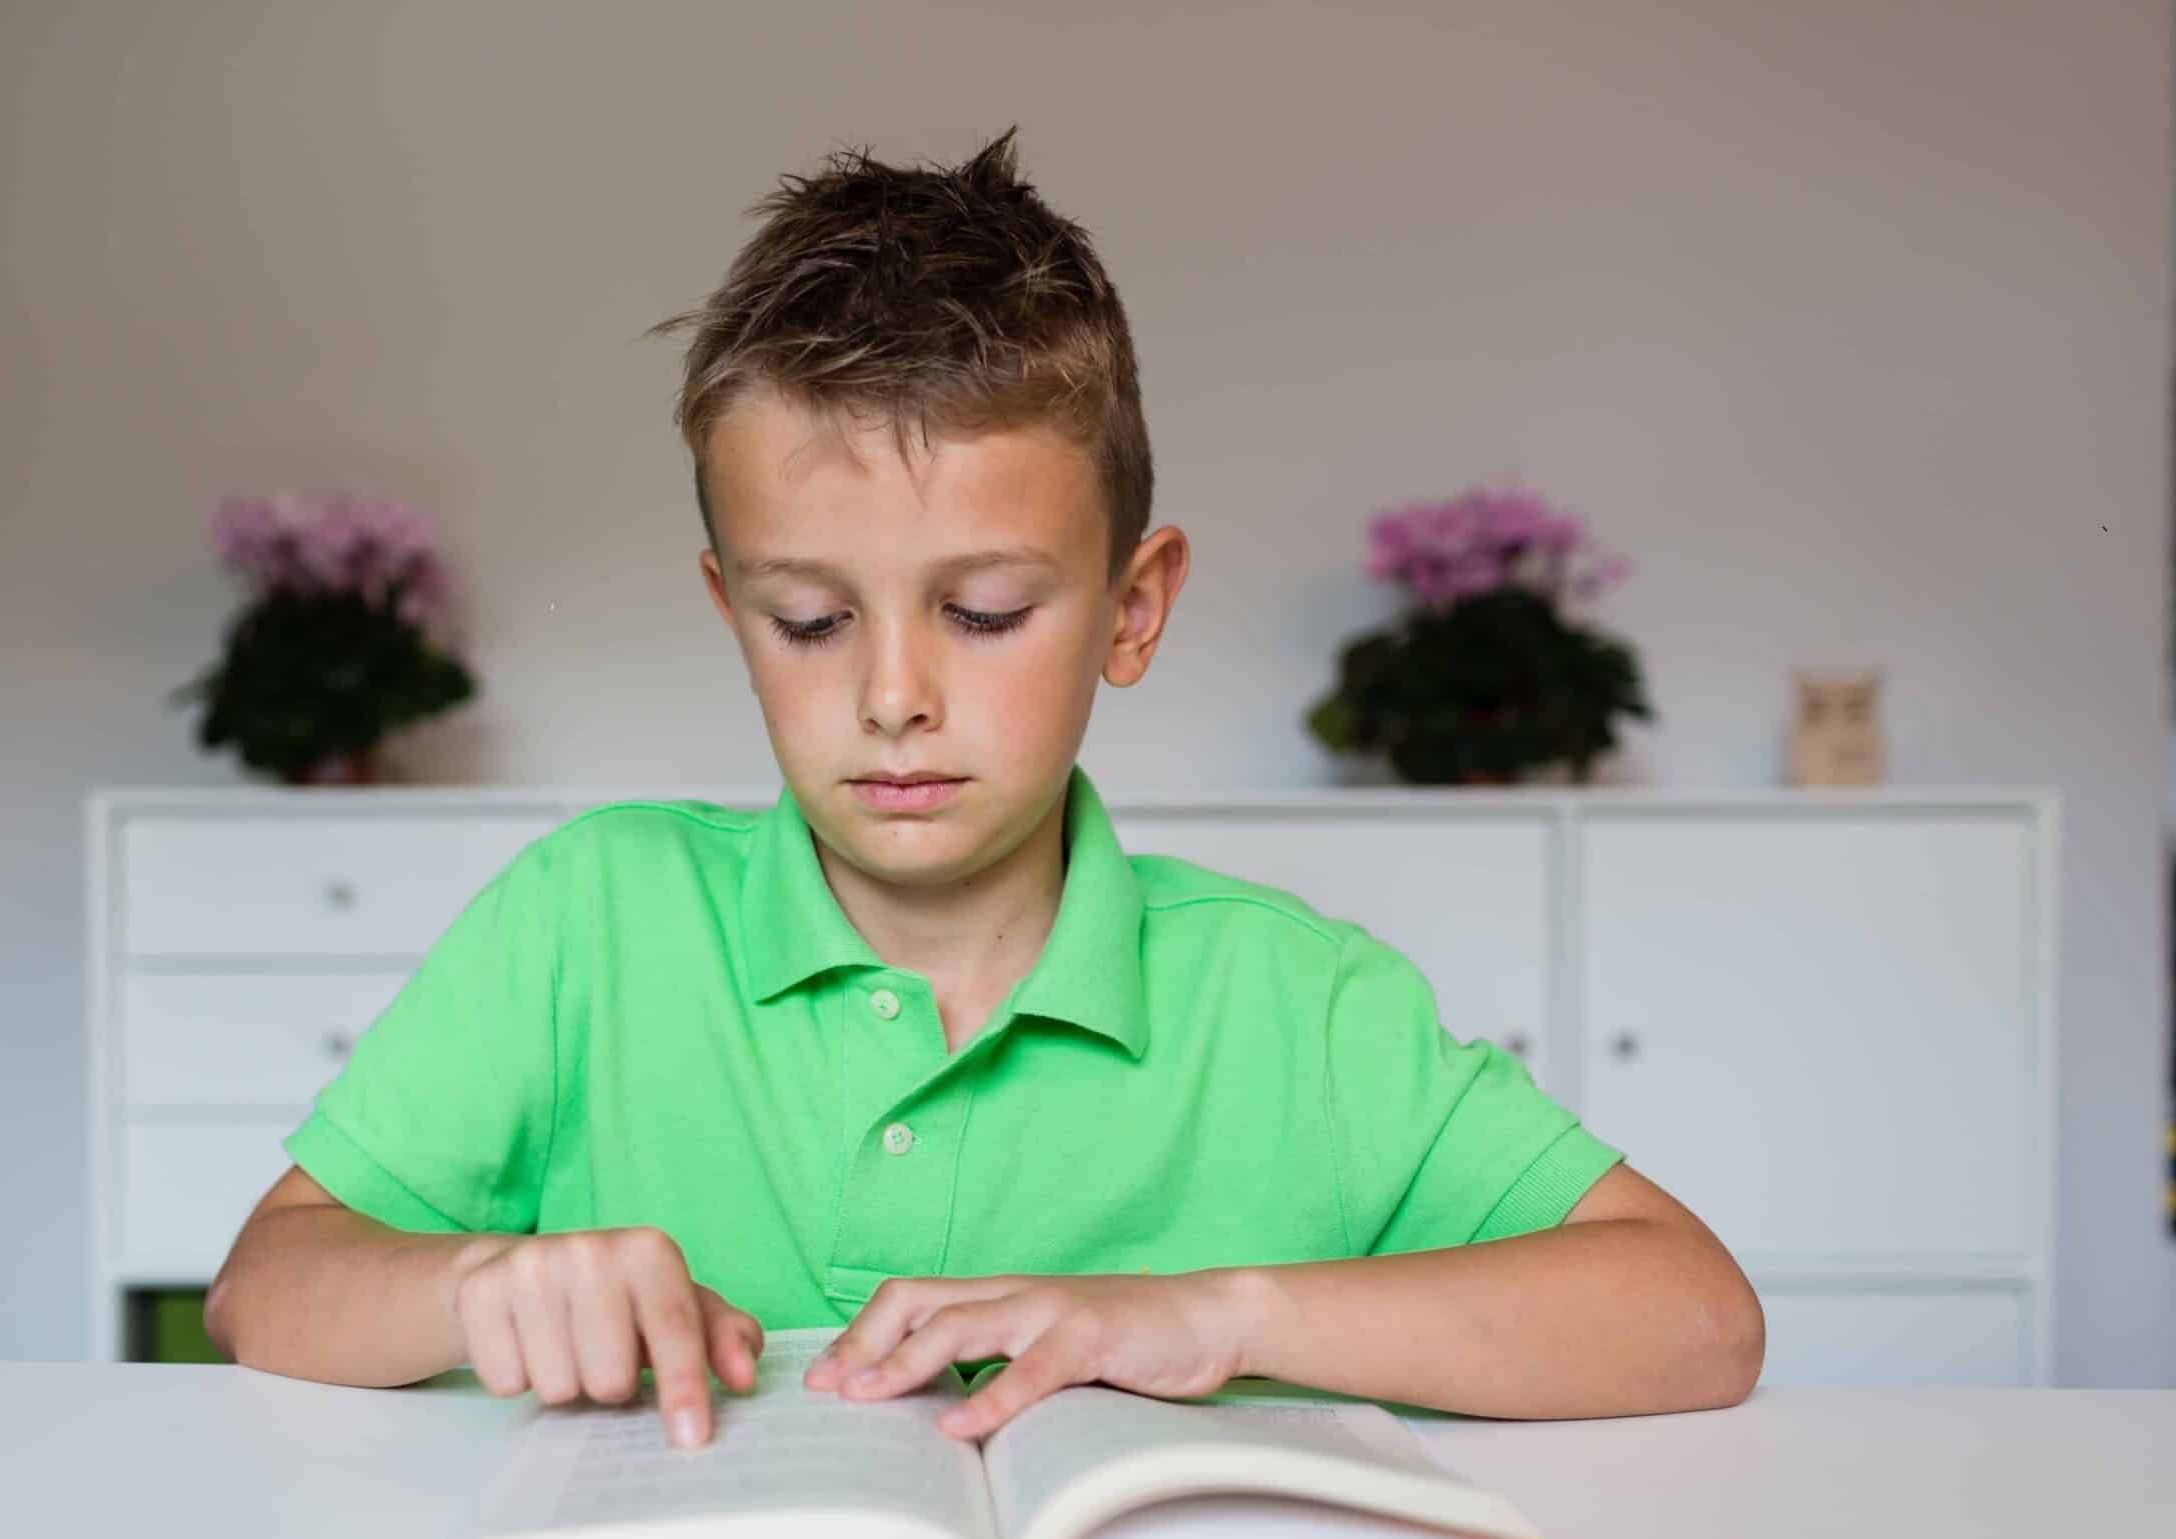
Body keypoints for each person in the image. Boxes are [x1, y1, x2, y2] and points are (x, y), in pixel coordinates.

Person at [202, 126, 1762, 1450]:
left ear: (1132, 609)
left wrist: (1212, 1314)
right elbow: (262, 1286)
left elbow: (1694, 1318)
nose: (892, 695)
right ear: (729, 608)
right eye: (808, 620)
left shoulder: (1299, 1000)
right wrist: (470, 1286)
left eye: (986, 612)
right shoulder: (588, 921)